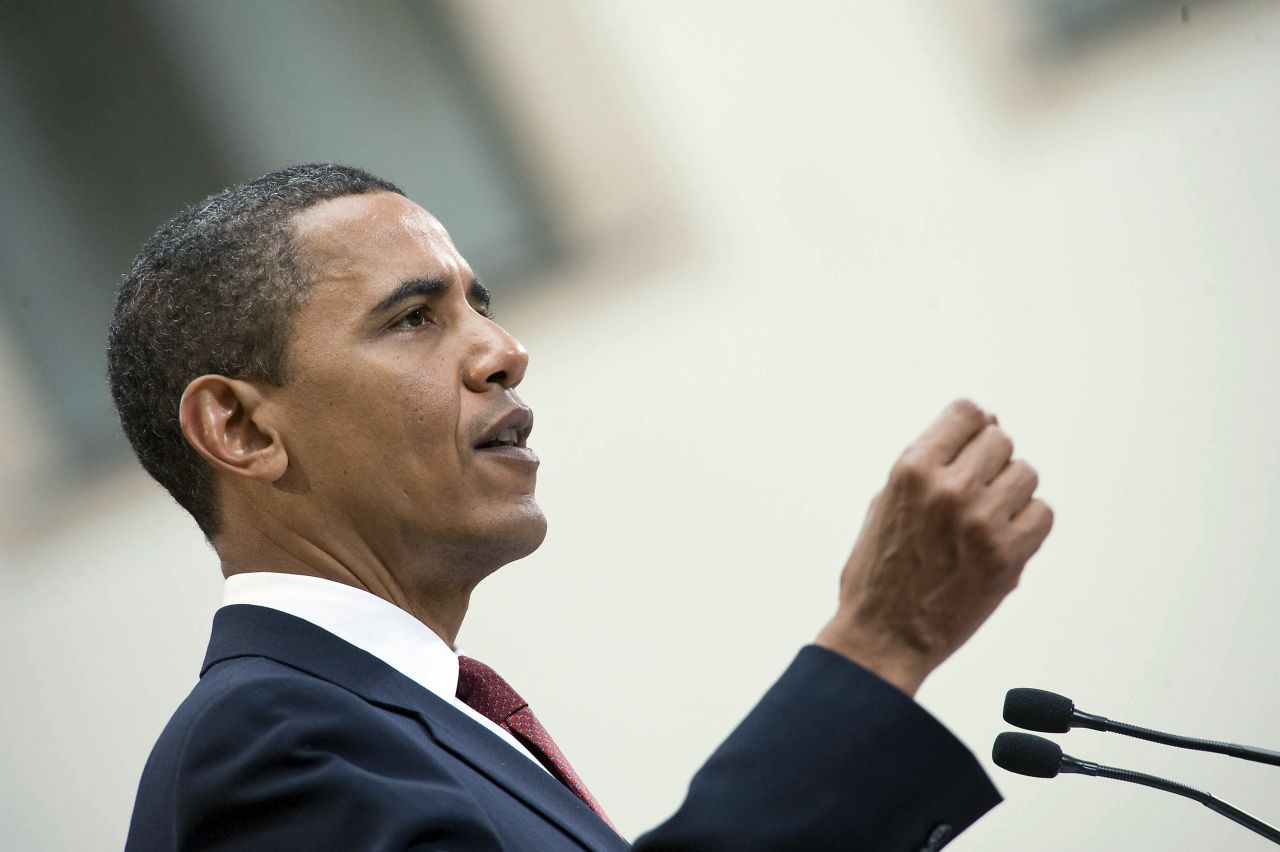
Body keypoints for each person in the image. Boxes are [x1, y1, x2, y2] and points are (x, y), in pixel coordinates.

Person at [110, 163, 1052, 851]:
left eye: (481, 305)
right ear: (239, 427)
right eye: (413, 319)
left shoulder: (403, 722)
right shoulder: (264, 751)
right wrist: (877, 647)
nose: (503, 351)